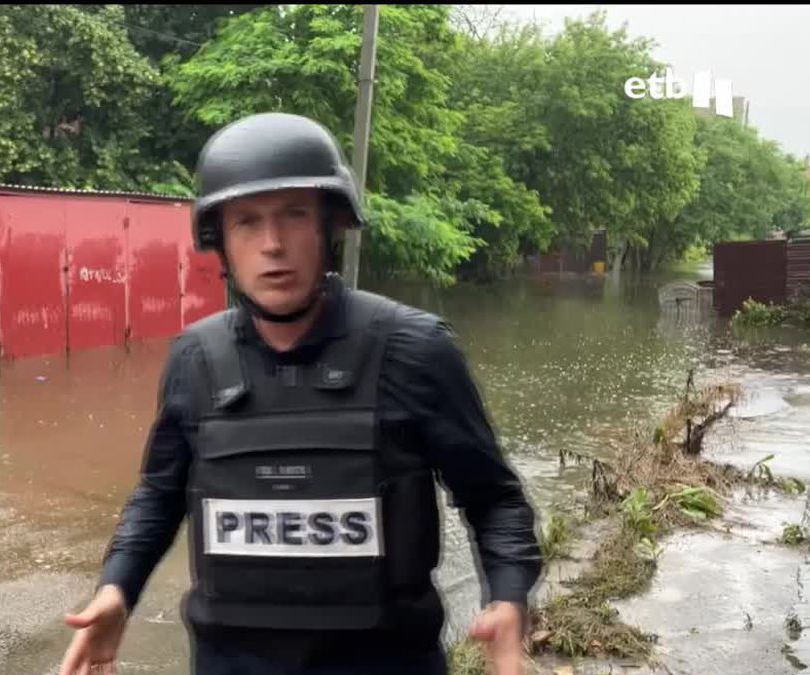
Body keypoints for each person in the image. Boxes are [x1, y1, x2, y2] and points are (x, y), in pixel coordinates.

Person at [59, 112, 543, 675]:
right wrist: (118, 589)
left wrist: (509, 602)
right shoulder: (194, 359)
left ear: (329, 228)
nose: (272, 244)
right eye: (247, 222)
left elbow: (494, 499)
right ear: (221, 242)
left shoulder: (415, 350)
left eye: (293, 216)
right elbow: (160, 495)